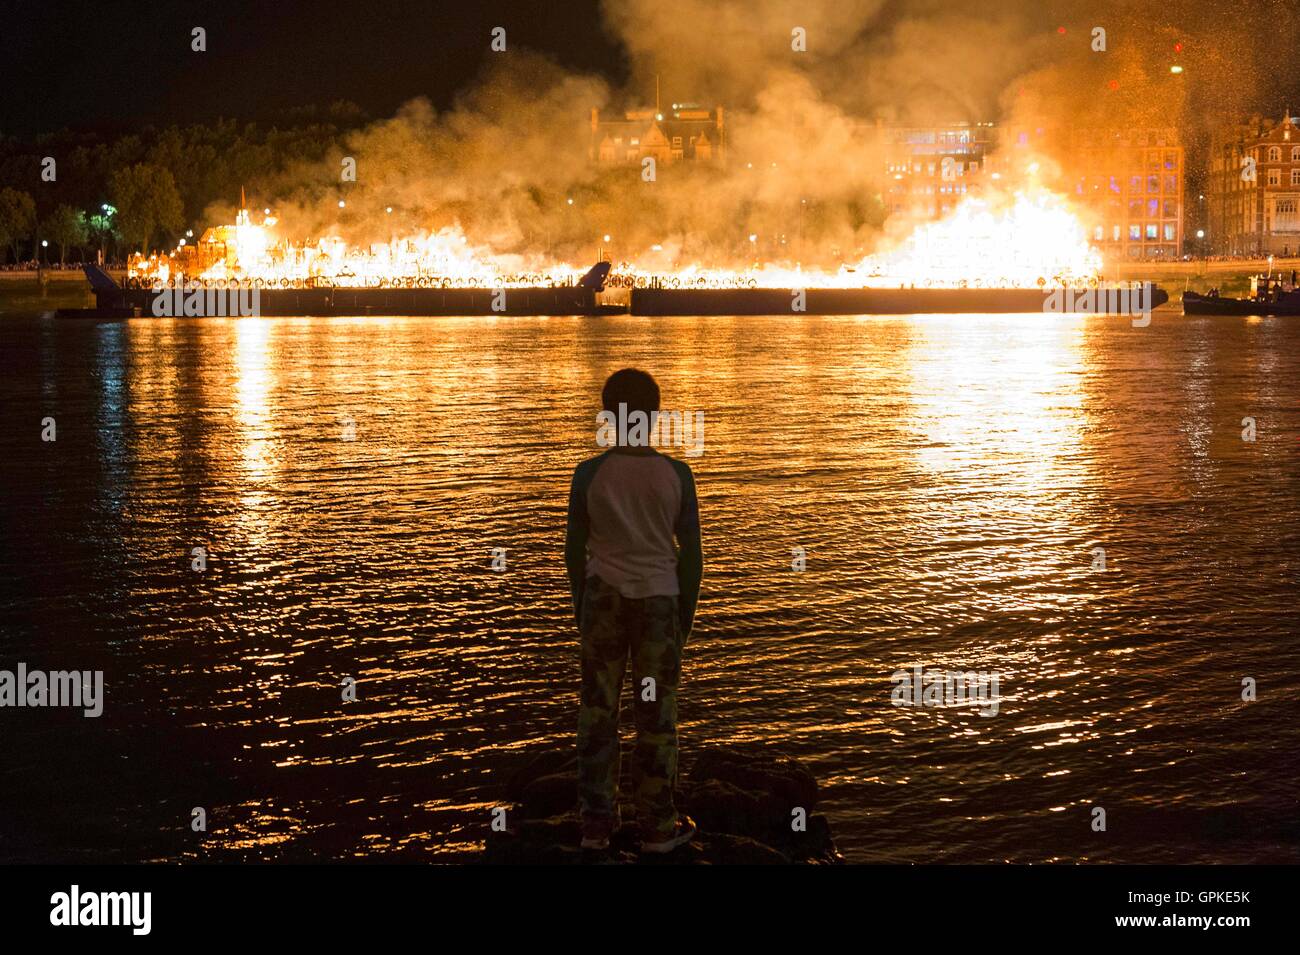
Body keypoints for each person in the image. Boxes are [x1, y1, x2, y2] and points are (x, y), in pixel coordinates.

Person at [565, 368, 703, 854]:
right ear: (656, 415)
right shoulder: (677, 475)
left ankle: (596, 825)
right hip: (659, 602)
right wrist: (682, 618)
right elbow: (692, 557)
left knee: (598, 712)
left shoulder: (589, 474)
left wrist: (584, 608)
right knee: (657, 716)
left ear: (608, 416)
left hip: (604, 597)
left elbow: (573, 551)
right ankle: (657, 827)